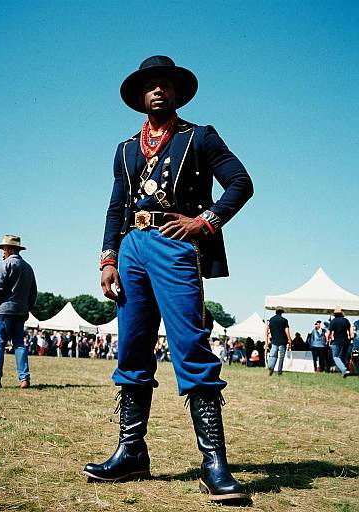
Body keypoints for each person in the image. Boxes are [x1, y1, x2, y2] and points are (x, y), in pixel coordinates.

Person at [83, 56, 253, 504]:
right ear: (140, 96)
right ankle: (132, 452)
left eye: (165, 84)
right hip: (132, 248)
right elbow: (115, 206)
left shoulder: (199, 136)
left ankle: (213, 461)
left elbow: (241, 182)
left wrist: (205, 222)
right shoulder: (124, 149)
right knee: (133, 347)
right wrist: (108, 259)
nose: (158, 90)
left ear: (177, 93)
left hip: (175, 243)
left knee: (191, 346)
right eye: (149, 85)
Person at [0, 235, 37, 389]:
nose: (2, 252)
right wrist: (27, 308)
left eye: (4, 249)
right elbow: (33, 293)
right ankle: (24, 379)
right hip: (20, 311)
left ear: (10, 249)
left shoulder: (6, 264)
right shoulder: (28, 267)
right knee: (19, 344)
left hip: (4, 311)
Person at [265, 307, 292, 376]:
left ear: (276, 312)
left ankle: (271, 367)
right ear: (281, 312)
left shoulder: (271, 320)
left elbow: (268, 330)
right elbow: (287, 331)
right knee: (281, 357)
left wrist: (268, 340)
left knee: (273, 355)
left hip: (274, 341)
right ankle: (279, 371)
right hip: (283, 341)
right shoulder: (284, 320)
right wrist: (289, 340)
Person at [328, 307, 351, 377]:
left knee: (335, 357)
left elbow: (329, 332)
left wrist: (327, 340)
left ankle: (343, 369)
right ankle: (344, 371)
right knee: (342, 357)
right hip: (345, 342)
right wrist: (350, 338)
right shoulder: (346, 321)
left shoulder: (333, 321)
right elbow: (351, 332)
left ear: (334, 314)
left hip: (337, 342)